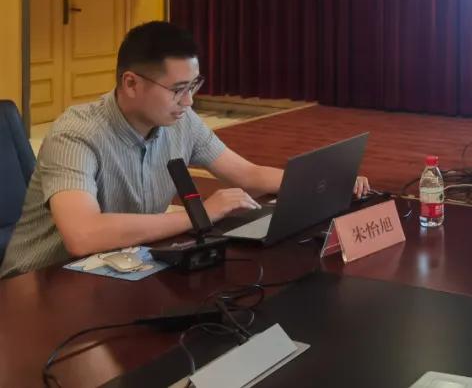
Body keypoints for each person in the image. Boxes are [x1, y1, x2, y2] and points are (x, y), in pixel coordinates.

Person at [1, 21, 369, 277]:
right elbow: (83, 235)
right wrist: (199, 214)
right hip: (38, 286)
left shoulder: (180, 121)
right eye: (178, 89)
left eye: (193, 86)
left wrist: (330, 181)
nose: (189, 101)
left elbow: (246, 175)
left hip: (117, 269)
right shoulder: (76, 133)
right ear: (131, 83)